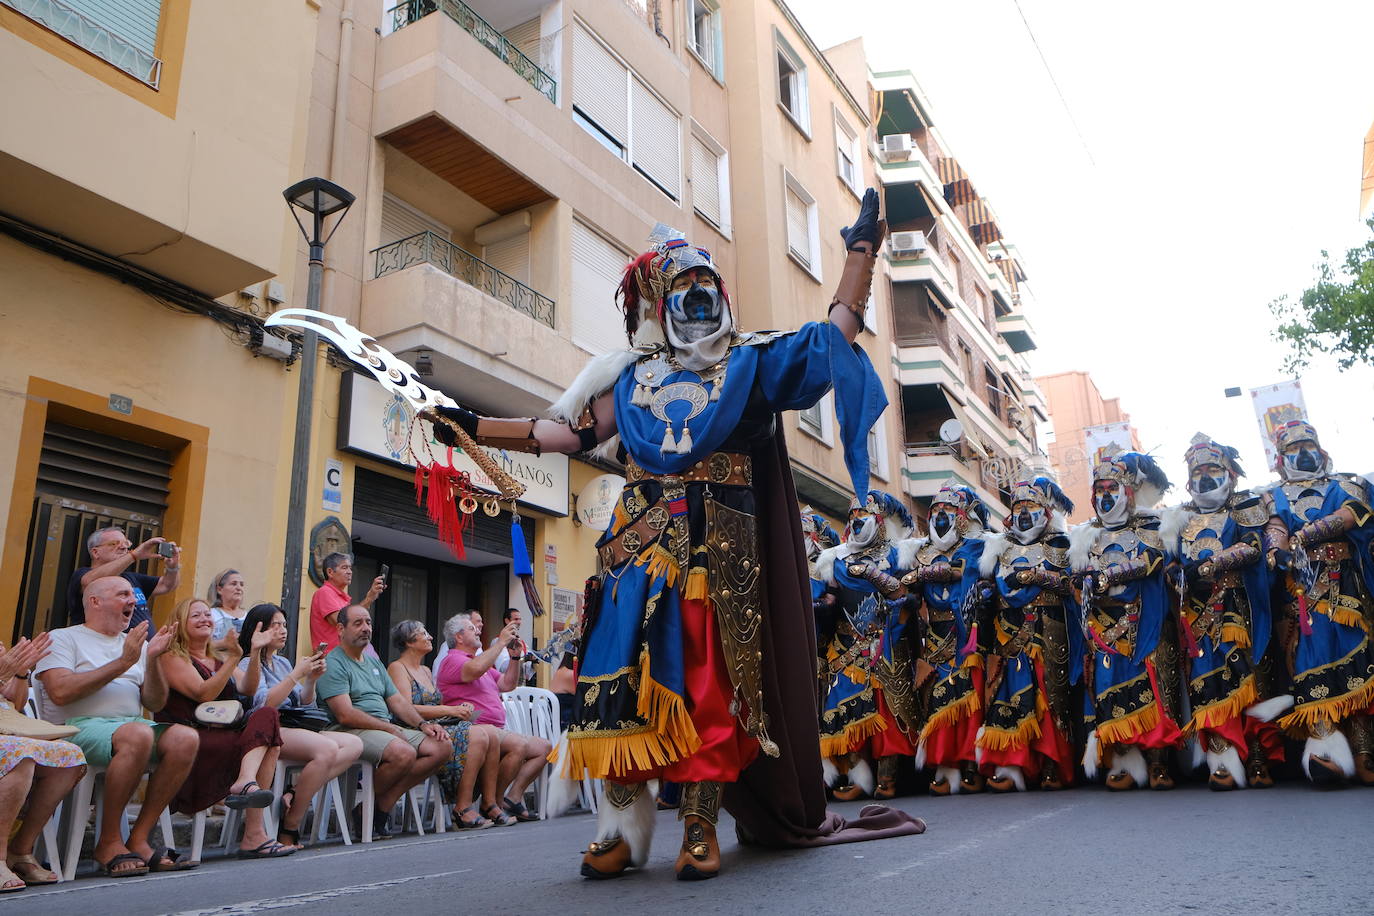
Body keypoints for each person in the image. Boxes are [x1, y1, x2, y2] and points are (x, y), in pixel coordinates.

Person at [425, 190, 922, 881]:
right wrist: (472, 424)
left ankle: (698, 821)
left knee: (708, 687)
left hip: (720, 558)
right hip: (634, 556)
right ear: (657, 302)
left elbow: (834, 332)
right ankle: (621, 830)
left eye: (705, 285)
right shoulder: (627, 378)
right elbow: (563, 432)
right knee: (615, 687)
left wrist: (861, 251)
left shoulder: (750, 363)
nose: (697, 296)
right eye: (682, 286)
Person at [34, 576, 198, 876]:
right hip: (74, 729)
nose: (133, 601)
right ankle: (108, 840)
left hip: (130, 726)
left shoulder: (134, 644)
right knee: (137, 734)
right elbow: (60, 692)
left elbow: (155, 702)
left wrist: (153, 660)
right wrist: (123, 663)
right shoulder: (63, 638)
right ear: (95, 601)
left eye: (133, 596)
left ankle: (139, 837)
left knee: (185, 738)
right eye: (123, 594)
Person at [1173, 434, 1288, 790]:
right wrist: (1176, 575)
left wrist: (1211, 565)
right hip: (1196, 614)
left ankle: (1257, 757)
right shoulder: (1179, 518)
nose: (1205, 477)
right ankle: (1221, 755)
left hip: (1240, 607)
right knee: (1206, 685)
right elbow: (1170, 562)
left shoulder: (1245, 505)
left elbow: (1253, 546)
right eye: (1199, 471)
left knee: (1250, 680)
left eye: (1213, 469)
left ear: (1230, 473)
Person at [1264, 420, 1374, 784]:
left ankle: (1363, 752)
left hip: (1346, 590)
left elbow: (1351, 514)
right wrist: (1275, 549)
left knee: (1359, 665)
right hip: (1302, 598)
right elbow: (1276, 527)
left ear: (1322, 450)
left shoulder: (1347, 483)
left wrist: (1307, 534)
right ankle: (1325, 750)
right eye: (1294, 449)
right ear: (1280, 459)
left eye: (1308, 446)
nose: (1303, 454)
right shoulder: (1274, 494)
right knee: (1309, 666)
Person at [1068, 448, 1185, 791]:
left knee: (1155, 689)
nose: (1105, 497)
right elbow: (1072, 578)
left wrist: (1109, 573)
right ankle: (1122, 757)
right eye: (1100, 491)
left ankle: (1159, 763)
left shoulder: (1150, 525)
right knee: (1107, 692)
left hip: (1143, 620)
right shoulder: (1084, 535)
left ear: (1128, 492)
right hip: (1103, 625)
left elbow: (1154, 560)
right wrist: (1080, 582)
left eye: (1112, 489)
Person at [155, 599, 291, 859]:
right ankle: (253, 833)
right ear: (180, 623)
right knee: (269, 744)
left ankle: (245, 785)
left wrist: (250, 655)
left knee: (267, 716)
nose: (205, 619)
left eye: (207, 614)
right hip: (192, 734)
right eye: (196, 615)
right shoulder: (173, 655)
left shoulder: (217, 657)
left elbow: (249, 690)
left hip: (224, 731)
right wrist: (233, 659)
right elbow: (203, 693)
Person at [974, 478, 1079, 792]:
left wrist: (1037, 577)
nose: (1022, 512)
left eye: (1030, 506)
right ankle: (1012, 764)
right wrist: (985, 592)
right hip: (1007, 632)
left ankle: (1052, 764)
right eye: (1018, 506)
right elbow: (990, 589)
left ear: (1045, 510)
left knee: (1050, 696)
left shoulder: (1062, 543)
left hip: (1049, 630)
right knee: (1007, 696)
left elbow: (1071, 587)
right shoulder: (998, 546)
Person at [812, 492, 918, 801]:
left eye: (864, 514)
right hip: (845, 646)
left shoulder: (900, 555)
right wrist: (817, 607)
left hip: (888, 641)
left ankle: (888, 777)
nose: (857, 520)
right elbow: (828, 600)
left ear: (880, 520)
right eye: (852, 516)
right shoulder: (835, 558)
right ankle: (856, 772)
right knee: (844, 711)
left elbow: (910, 596)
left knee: (890, 711)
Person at [316, 605, 451, 840]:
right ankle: (374, 809)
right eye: (358, 623)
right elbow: (345, 715)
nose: (366, 628)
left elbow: (397, 701)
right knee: (403, 753)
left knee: (442, 746)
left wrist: (422, 725)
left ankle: (375, 807)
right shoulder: (334, 663)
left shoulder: (373, 662)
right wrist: (389, 727)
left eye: (368, 622)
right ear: (340, 629)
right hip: (349, 730)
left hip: (382, 728)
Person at [236, 603, 364, 849]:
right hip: (269, 730)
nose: (282, 630)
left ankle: (294, 793)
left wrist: (311, 680)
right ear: (257, 629)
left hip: (295, 723)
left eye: (284, 625)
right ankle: (290, 825)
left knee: (353, 744)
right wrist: (296, 674)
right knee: (326, 749)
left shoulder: (282, 663)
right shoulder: (246, 664)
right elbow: (266, 704)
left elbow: (304, 701)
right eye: (275, 625)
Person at [898, 482, 992, 796]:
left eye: (948, 510)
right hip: (935, 637)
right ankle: (943, 765)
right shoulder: (920, 551)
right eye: (936, 510)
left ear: (963, 516)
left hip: (967, 635)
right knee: (936, 701)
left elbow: (963, 573)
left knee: (969, 701)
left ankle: (970, 765)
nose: (940, 516)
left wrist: (922, 575)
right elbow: (908, 593)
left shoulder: (977, 546)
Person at [387, 620, 507, 829]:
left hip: (435, 725)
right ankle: (462, 807)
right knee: (478, 735)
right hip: (413, 727)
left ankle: (489, 802)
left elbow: (436, 704)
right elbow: (405, 708)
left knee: (491, 733)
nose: (430, 637)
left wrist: (459, 709)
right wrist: (449, 710)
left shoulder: (425, 670)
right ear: (409, 641)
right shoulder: (397, 668)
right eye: (423, 633)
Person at [436, 614, 548, 825]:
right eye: (471, 628)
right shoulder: (452, 660)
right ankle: (492, 803)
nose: (478, 630)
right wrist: (502, 642)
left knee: (544, 747)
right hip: (475, 728)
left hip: (497, 730)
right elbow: (474, 670)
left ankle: (510, 799)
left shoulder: (481, 662)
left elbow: (507, 684)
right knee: (519, 745)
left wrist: (514, 658)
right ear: (459, 637)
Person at [0, 633, 86, 890]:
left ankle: (21, 849)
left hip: (8, 729)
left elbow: (14, 704)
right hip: (9, 742)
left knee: (69, 756)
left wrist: (20, 672)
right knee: (22, 754)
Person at [64, 527, 181, 636]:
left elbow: (166, 585)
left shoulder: (131, 578)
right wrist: (134, 555)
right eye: (114, 544)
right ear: (95, 552)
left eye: (126, 543)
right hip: (103, 652)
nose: (123, 547)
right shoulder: (83, 574)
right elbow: (90, 582)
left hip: (143, 653)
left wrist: (173, 567)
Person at [309, 553, 385, 655]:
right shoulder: (325, 592)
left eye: (350, 568)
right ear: (330, 572)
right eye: (344, 568)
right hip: (333, 658)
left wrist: (370, 598)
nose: (349, 572)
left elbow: (354, 619)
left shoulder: (341, 596)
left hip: (345, 656)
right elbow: (344, 622)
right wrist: (369, 598)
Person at [491, 608, 533, 684]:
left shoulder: (522, 643)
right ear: (507, 621)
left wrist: (533, 661)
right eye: (516, 619)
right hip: (504, 687)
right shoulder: (497, 641)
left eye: (520, 619)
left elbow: (527, 674)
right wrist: (524, 659)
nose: (519, 622)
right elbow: (502, 668)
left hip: (520, 688)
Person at [208, 569, 249, 640]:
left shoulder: (249, 616)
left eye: (241, 584)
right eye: (233, 584)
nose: (239, 588)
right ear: (219, 590)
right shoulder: (211, 614)